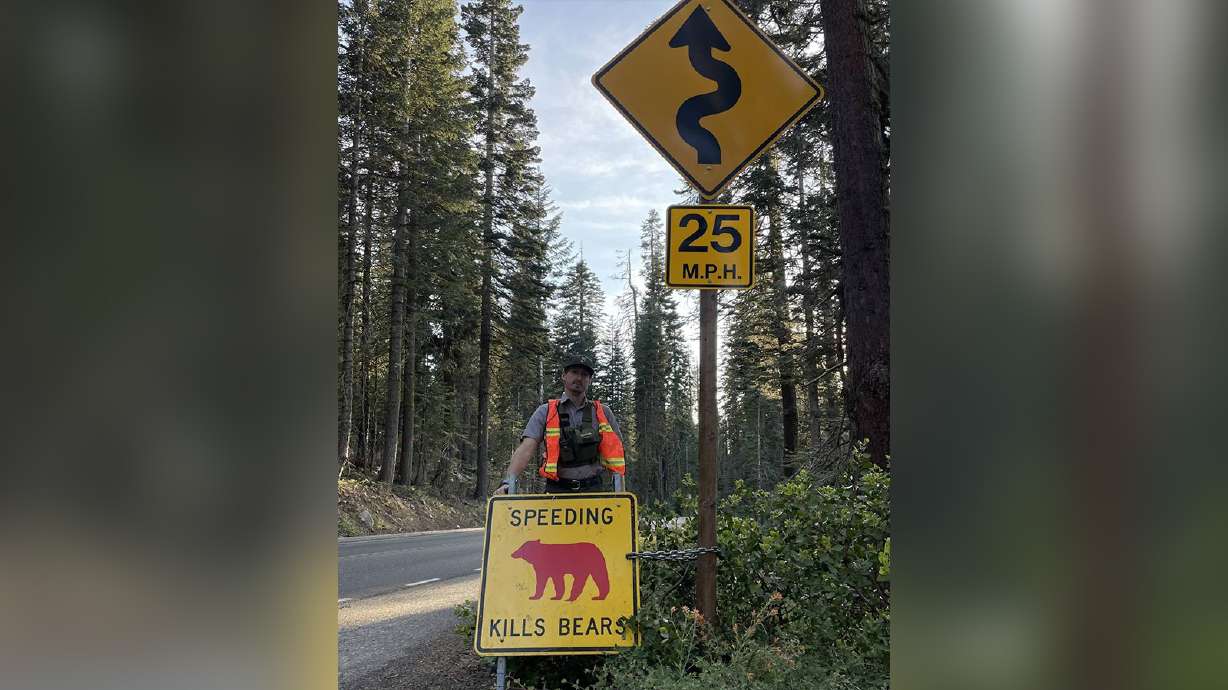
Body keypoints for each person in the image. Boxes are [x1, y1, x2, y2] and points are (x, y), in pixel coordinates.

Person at [493, 356, 626, 495]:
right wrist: (508, 483)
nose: (579, 378)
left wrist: (621, 493)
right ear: (564, 375)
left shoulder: (603, 412)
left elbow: (617, 453)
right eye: (574, 372)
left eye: (584, 374)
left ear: (590, 380)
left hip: (594, 489)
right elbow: (526, 448)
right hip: (556, 491)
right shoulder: (546, 411)